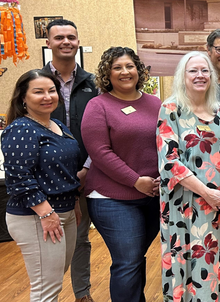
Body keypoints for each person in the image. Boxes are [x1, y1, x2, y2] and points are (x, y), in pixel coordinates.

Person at [157, 51, 220, 301]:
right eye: (193, 70)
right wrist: (207, 193)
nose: (200, 75)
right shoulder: (170, 109)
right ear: (182, 76)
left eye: (204, 71)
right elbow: (170, 162)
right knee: (193, 263)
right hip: (187, 207)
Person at [82, 47, 161, 302]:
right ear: (107, 73)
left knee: (136, 258)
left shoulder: (156, 103)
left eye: (130, 66)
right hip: (112, 198)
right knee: (127, 261)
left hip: (152, 195)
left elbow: (167, 144)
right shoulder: (98, 106)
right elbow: (100, 152)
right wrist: (135, 181)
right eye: (117, 67)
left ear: (139, 70)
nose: (125, 72)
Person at [3, 69, 81, 302]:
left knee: (54, 280)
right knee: (45, 288)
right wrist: (46, 213)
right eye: (38, 92)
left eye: (51, 90)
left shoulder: (56, 125)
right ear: (23, 98)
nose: (48, 96)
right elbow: (18, 177)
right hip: (36, 216)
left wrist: (74, 203)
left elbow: (66, 171)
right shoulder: (21, 129)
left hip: (64, 211)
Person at [41, 18, 98, 302]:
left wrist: (87, 168)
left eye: (71, 37)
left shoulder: (94, 84)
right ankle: (46, 295)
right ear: (48, 43)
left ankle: (82, 294)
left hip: (84, 174)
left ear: (78, 41)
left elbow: (102, 130)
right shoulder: (35, 81)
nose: (66, 42)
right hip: (44, 179)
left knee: (80, 238)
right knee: (43, 242)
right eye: (59, 37)